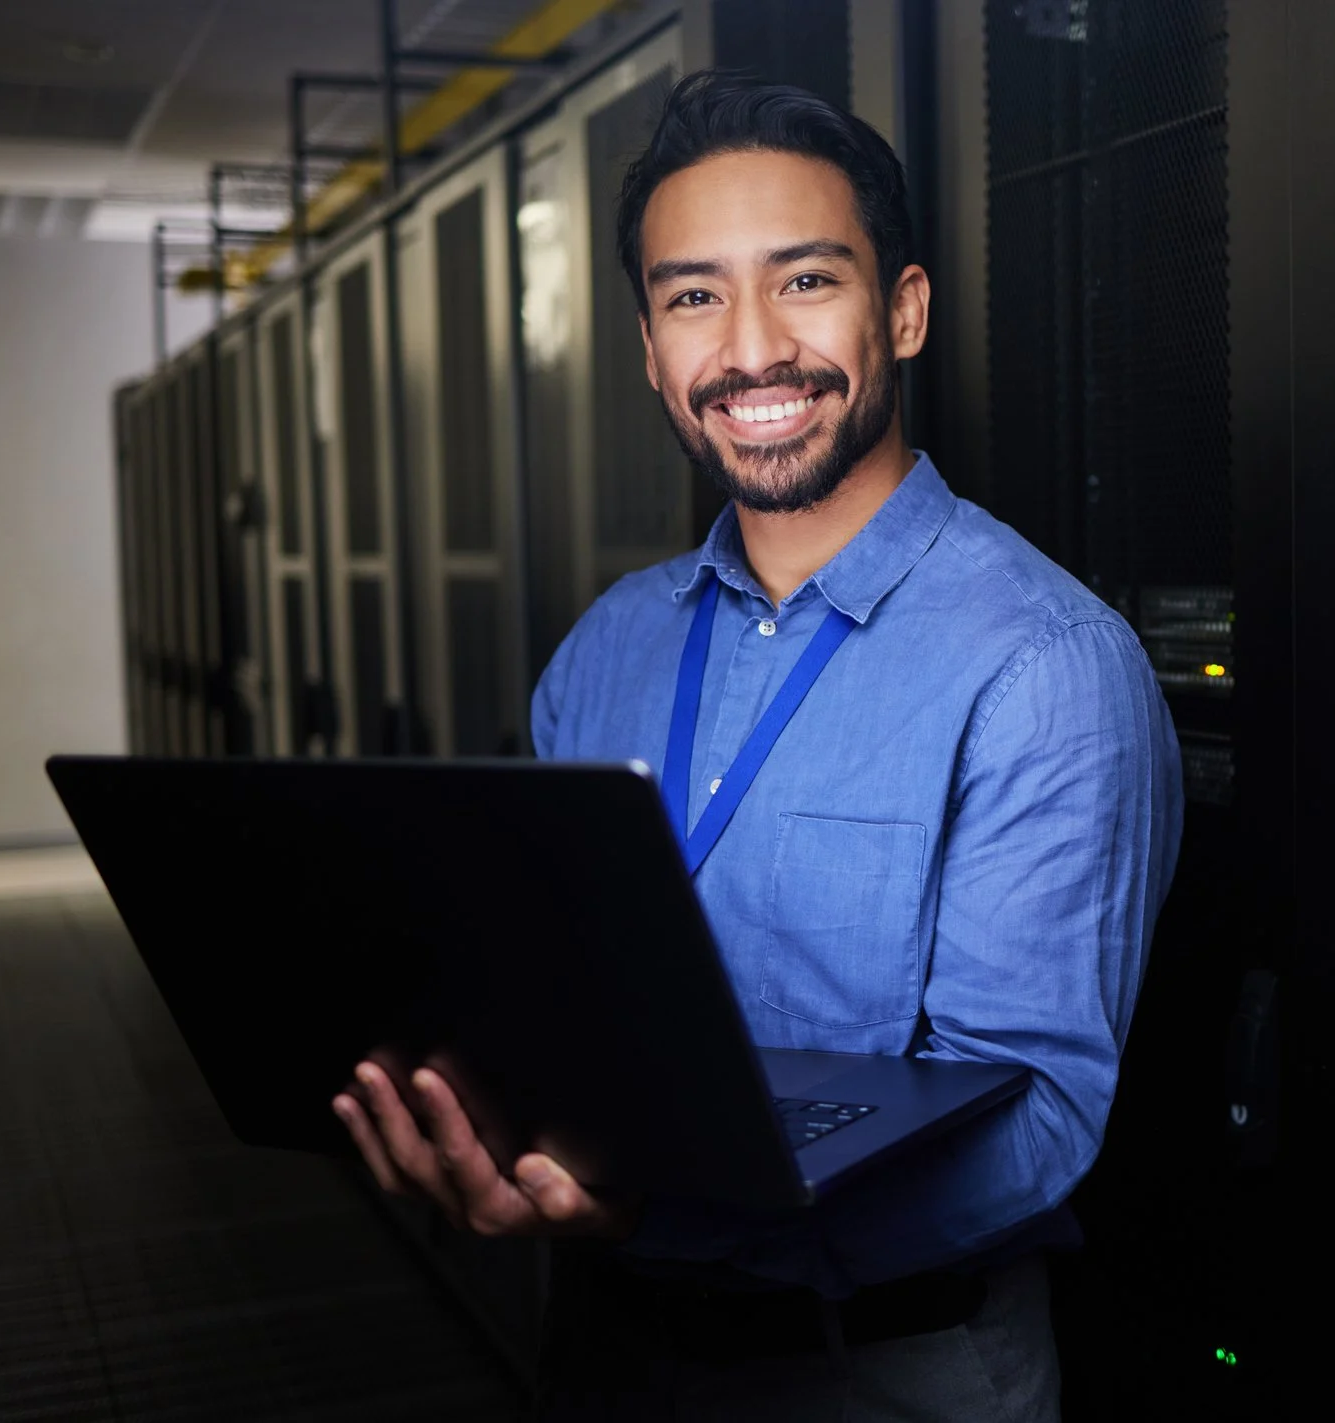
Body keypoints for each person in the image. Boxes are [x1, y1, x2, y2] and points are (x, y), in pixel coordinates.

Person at [330, 69, 1182, 1420]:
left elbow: (1033, 1130)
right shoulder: (603, 654)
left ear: (900, 308)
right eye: (692, 296)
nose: (749, 348)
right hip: (602, 1355)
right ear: (651, 350)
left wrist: (646, 1216)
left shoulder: (1045, 669)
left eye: (803, 280)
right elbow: (554, 1001)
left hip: (890, 1372)